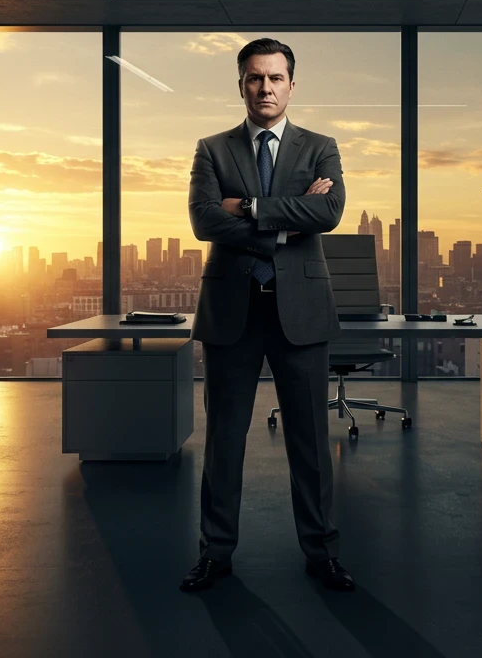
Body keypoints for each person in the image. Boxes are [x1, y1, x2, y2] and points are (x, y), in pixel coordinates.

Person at [180, 37, 354, 593]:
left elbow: (327, 211)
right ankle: (216, 554)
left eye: (275, 78)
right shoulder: (212, 148)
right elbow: (204, 221)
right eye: (255, 78)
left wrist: (250, 209)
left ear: (292, 85)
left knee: (310, 443)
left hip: (299, 313)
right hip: (232, 309)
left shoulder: (320, 146)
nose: (265, 88)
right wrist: (286, 220)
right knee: (224, 441)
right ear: (241, 85)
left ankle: (321, 552)